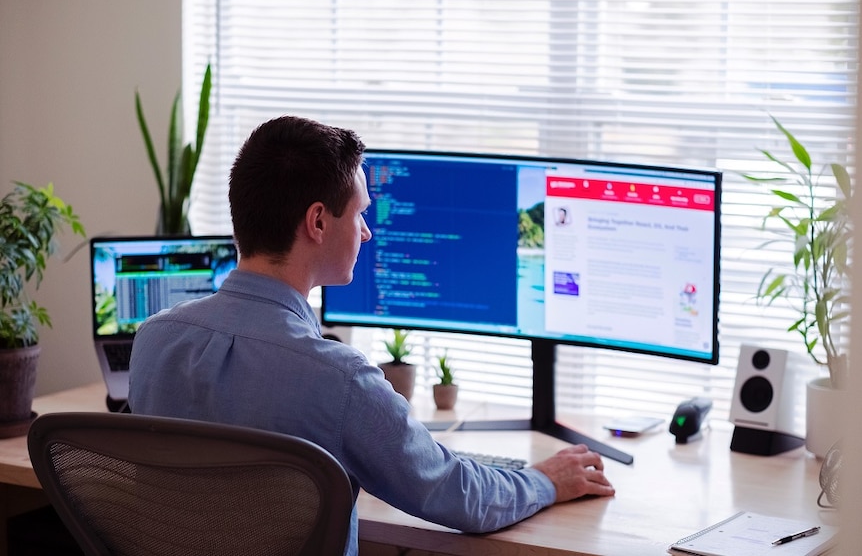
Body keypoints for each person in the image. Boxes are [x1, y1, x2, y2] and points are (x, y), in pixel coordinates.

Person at [128, 115, 614, 556]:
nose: (366, 233)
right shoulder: (338, 379)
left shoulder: (153, 341)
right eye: (359, 214)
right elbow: (456, 494)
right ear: (318, 221)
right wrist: (545, 481)